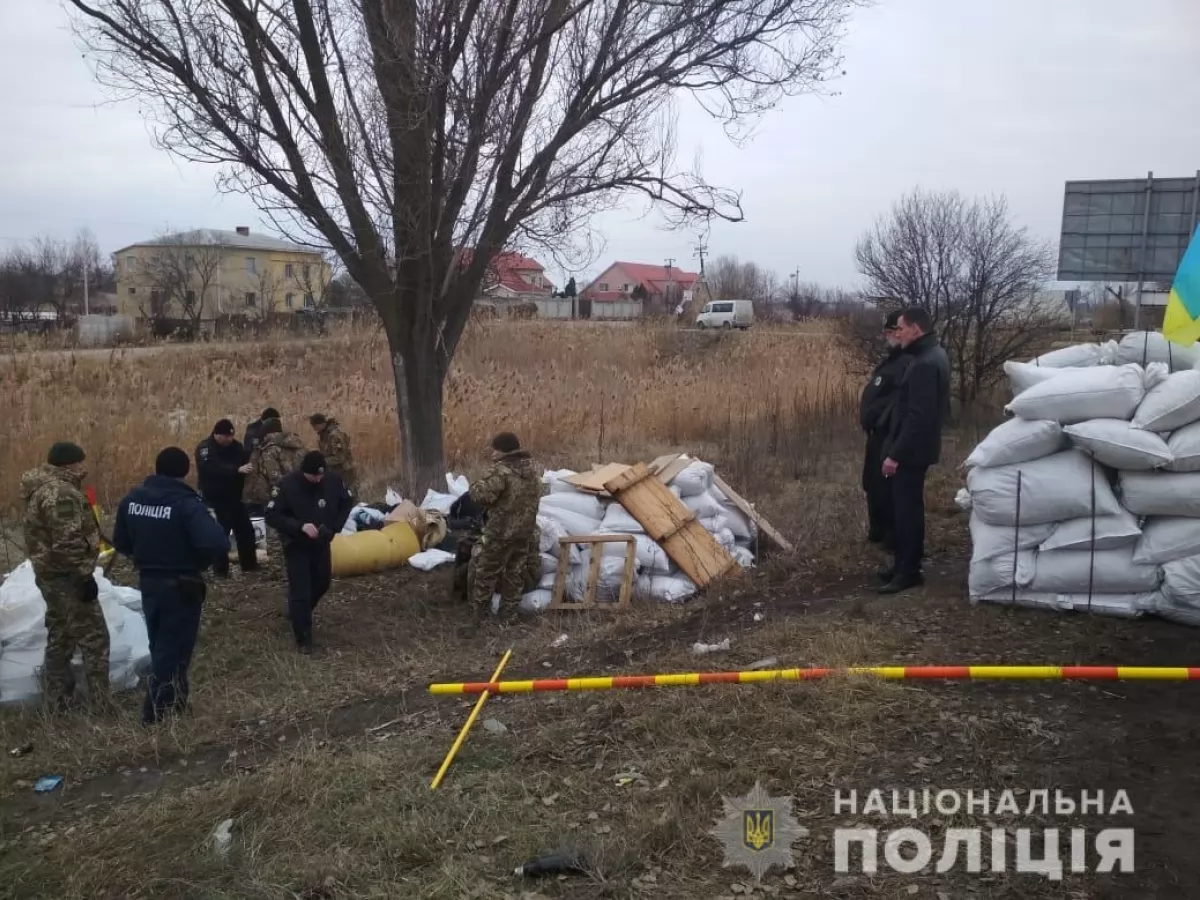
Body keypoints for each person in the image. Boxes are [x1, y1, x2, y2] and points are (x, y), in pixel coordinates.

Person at [112, 447, 230, 724]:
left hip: (149, 583)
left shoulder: (132, 500)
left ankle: (177, 703)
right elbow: (216, 542)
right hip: (181, 584)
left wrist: (145, 556)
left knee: (160, 644)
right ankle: (154, 714)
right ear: (185, 471)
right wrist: (198, 558)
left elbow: (120, 541)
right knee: (173, 650)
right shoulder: (186, 503)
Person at [20, 442, 110, 713]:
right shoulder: (61, 494)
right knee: (95, 639)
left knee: (60, 635)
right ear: (67, 464)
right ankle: (101, 706)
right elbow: (67, 542)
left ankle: (57, 702)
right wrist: (84, 577)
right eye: (80, 462)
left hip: (50, 576)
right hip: (67, 578)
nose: (83, 467)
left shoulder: (42, 487)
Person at [878, 306, 951, 595]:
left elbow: (918, 417)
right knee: (908, 509)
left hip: (911, 452)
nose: (898, 333)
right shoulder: (933, 354)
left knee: (907, 512)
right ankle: (903, 566)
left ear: (916, 329)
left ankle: (908, 571)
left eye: (901, 328)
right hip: (918, 449)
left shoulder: (924, 363)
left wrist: (895, 454)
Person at [264, 451, 354, 653]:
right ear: (304, 472)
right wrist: (299, 526)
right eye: (314, 476)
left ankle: (299, 613)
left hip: (322, 543)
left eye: (321, 475)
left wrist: (335, 527)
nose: (318, 479)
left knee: (322, 583)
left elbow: (347, 502)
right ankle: (303, 639)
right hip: (297, 544)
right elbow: (271, 515)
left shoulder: (333, 481)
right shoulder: (287, 485)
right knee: (301, 591)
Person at [462, 432, 542, 633]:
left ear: (502, 450)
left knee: (486, 574)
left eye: (494, 449)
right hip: (524, 532)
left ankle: (479, 619)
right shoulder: (532, 468)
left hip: (500, 533)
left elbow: (481, 495)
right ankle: (509, 616)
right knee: (515, 574)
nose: (492, 453)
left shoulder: (501, 471)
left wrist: (475, 486)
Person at [859, 310, 912, 550]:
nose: (887, 336)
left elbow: (900, 403)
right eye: (887, 331)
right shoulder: (892, 360)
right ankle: (878, 531)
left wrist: (881, 421)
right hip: (876, 435)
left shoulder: (907, 362)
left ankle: (893, 538)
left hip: (889, 435)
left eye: (891, 331)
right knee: (872, 483)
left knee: (886, 487)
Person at [195, 418, 259, 576]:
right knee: (220, 533)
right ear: (217, 435)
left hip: (236, 497)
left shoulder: (236, 446)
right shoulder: (206, 448)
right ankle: (220, 569)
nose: (229, 439)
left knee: (246, 531)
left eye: (231, 436)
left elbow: (246, 460)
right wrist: (236, 470)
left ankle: (249, 565)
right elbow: (211, 468)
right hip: (216, 498)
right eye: (226, 436)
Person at [244, 417, 307, 570]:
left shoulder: (270, 450)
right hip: (302, 494)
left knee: (280, 532)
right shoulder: (298, 445)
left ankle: (284, 566)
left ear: (268, 433)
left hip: (279, 497)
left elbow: (274, 477)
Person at [308, 413, 358, 493]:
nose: (313, 429)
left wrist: (322, 461)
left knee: (349, 497)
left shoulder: (335, 435)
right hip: (334, 472)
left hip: (344, 473)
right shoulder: (324, 435)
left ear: (321, 424)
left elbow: (340, 458)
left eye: (314, 426)